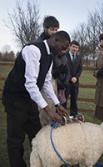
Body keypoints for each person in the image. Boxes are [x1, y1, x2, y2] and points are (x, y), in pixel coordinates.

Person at [2, 31, 71, 167]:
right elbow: (30, 84)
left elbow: (46, 82)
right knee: (16, 138)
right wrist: (49, 110)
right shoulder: (33, 50)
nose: (63, 52)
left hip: (30, 98)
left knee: (36, 132)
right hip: (15, 97)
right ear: (55, 40)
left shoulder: (51, 56)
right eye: (63, 47)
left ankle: (38, 162)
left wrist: (57, 104)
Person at [64, 40, 82, 117]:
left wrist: (76, 77)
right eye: (73, 47)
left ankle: (73, 115)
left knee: (74, 100)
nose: (75, 49)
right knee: (64, 100)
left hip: (75, 82)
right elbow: (64, 68)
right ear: (70, 46)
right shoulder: (64, 55)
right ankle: (63, 114)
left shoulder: (79, 57)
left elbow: (80, 69)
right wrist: (70, 77)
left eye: (77, 47)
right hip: (66, 82)